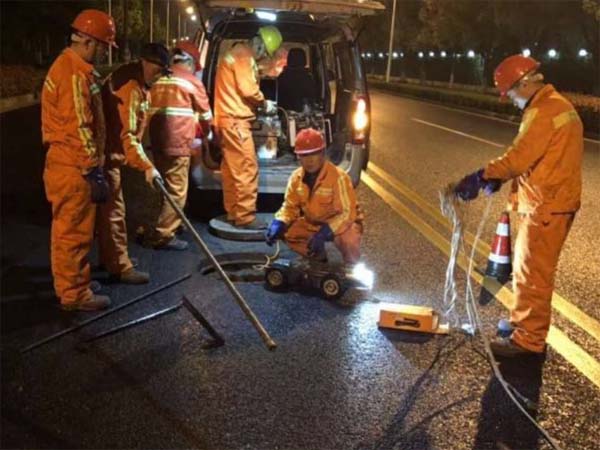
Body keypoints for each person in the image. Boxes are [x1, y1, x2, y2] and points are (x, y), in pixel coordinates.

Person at [454, 55, 583, 357]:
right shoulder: (555, 106)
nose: (510, 99)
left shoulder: (544, 110)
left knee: (532, 274)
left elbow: (519, 157)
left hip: (546, 205)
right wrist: (501, 179)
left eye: (511, 92)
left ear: (524, 82)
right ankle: (523, 324)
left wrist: (482, 176)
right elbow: (536, 158)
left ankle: (528, 340)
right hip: (550, 200)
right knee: (529, 270)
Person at [42, 9, 116, 311]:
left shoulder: (74, 67)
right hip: (73, 166)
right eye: (102, 46)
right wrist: (91, 169)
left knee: (69, 229)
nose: (101, 53)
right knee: (73, 231)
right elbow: (79, 126)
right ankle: (74, 294)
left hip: (67, 163)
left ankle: (74, 281)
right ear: (88, 41)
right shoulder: (73, 73)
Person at [97, 43, 170, 283]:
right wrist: (147, 166)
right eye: (157, 69)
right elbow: (126, 135)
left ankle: (113, 258)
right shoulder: (130, 87)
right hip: (106, 156)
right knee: (113, 213)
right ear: (144, 62)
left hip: (109, 155)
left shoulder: (138, 83)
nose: (159, 76)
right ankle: (120, 266)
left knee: (107, 213)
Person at [213, 25, 283, 229]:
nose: (262, 58)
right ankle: (245, 217)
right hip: (236, 122)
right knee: (246, 168)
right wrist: (264, 103)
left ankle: (234, 213)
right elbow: (248, 89)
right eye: (264, 54)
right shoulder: (244, 56)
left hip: (225, 120)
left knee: (231, 170)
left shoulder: (235, 53)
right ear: (260, 45)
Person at [146, 41, 213, 250]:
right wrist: (210, 136)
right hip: (178, 142)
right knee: (176, 189)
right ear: (191, 62)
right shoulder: (192, 82)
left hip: (157, 141)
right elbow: (206, 116)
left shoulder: (159, 77)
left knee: (162, 185)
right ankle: (164, 234)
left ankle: (164, 224)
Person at [265, 128, 363, 264]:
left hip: (339, 224)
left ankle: (352, 270)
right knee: (288, 232)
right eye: (304, 155)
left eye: (314, 154)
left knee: (349, 239)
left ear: (323, 153)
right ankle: (317, 259)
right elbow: (289, 207)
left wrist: (326, 231)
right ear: (298, 157)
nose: (309, 160)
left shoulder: (338, 177)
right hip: (313, 223)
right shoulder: (296, 178)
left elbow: (347, 213)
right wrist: (279, 221)